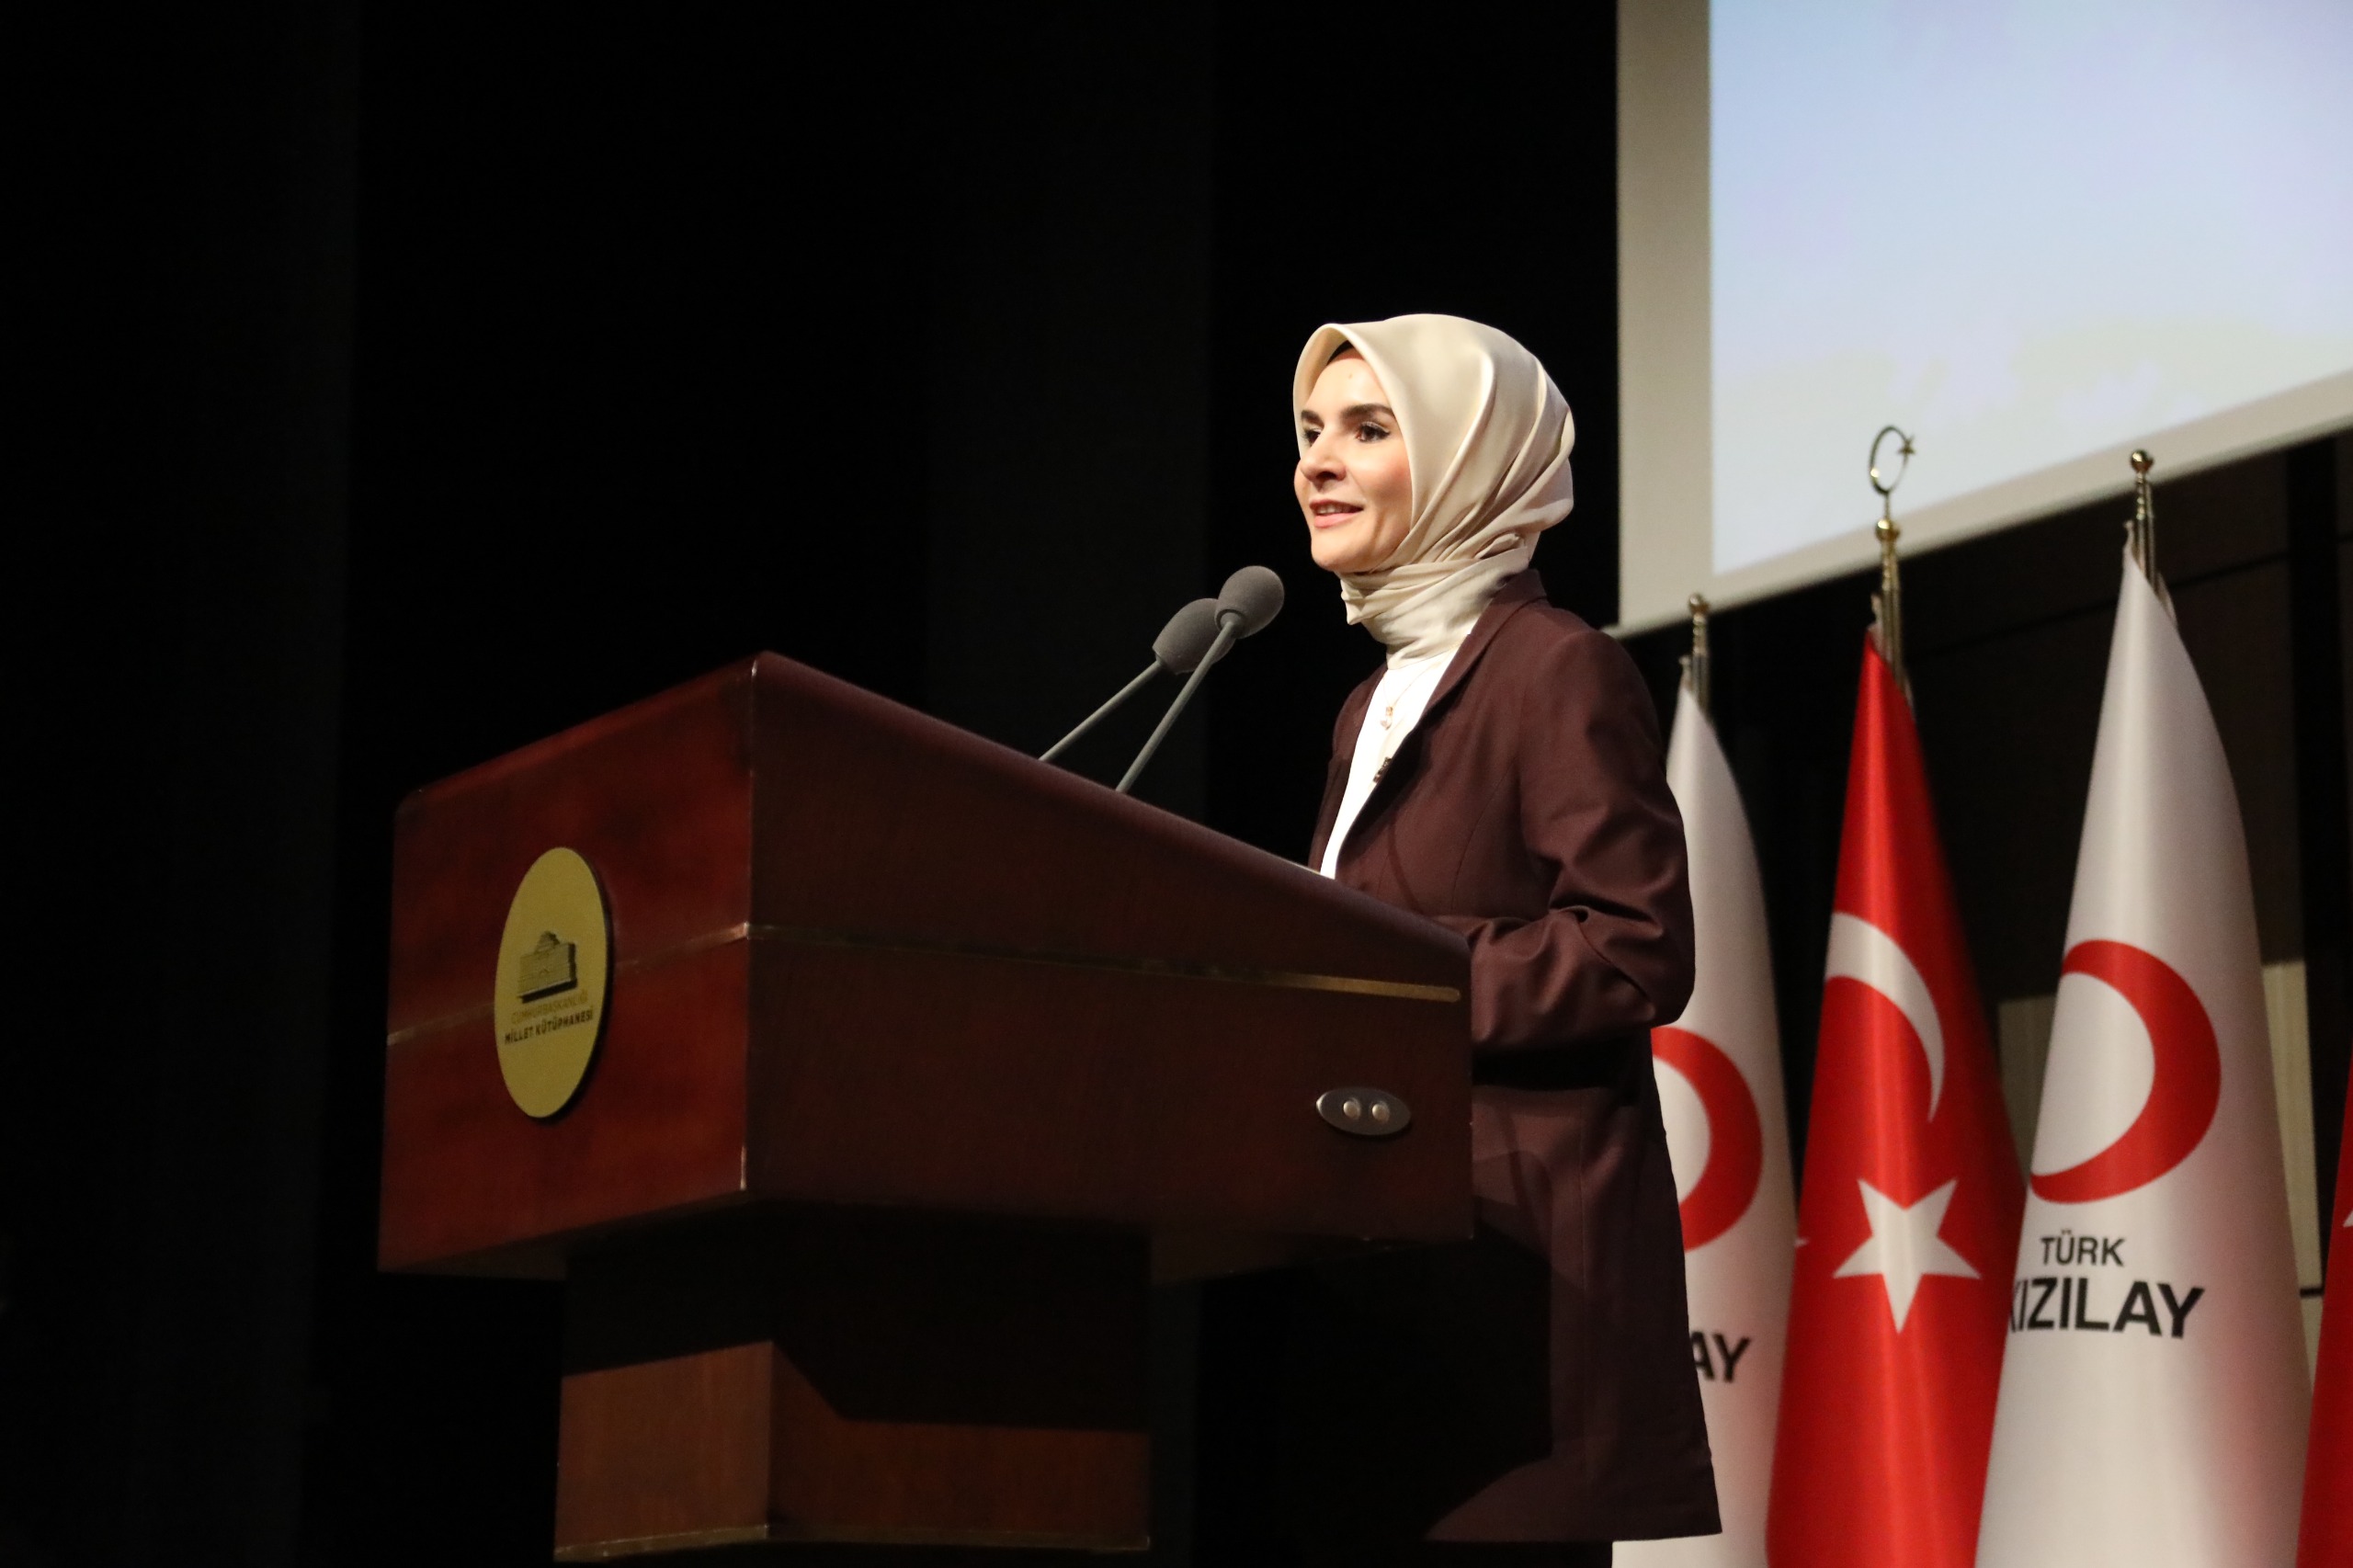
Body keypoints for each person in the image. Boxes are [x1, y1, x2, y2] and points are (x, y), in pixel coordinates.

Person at [1278, 314, 1717, 1565]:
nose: (1318, 463)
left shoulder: (1553, 667)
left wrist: (1396, 978)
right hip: (1382, 1261)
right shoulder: (1370, 700)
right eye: (1310, 432)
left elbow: (1635, 945)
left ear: (1475, 458)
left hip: (1518, 1282)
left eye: (1369, 430)